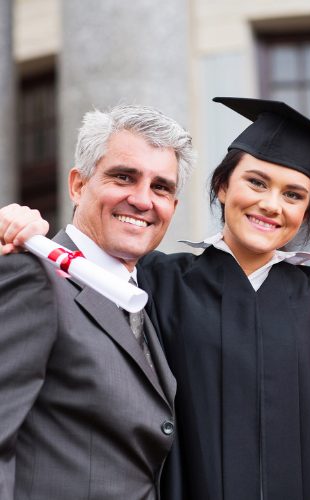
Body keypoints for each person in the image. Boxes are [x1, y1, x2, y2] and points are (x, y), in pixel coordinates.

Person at [1, 97, 310, 500]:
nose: (270, 204)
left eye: (294, 194)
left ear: (307, 210)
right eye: (255, 181)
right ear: (221, 185)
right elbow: (87, 253)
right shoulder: (155, 281)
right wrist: (23, 232)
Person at [0, 104, 196, 500]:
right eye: (124, 177)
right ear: (77, 185)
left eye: (162, 187)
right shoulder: (31, 275)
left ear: (173, 207)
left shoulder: (145, 300)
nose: (143, 200)